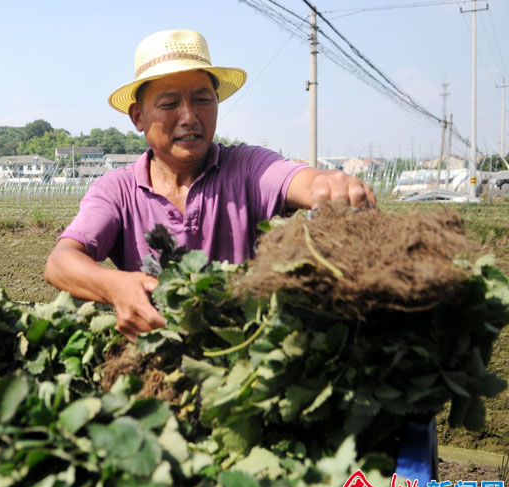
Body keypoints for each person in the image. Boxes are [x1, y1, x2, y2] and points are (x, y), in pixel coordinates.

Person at [45, 29, 375, 342]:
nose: (189, 116)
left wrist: (328, 184)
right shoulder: (117, 191)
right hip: (154, 351)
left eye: (202, 100)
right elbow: (60, 262)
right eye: (170, 104)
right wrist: (115, 286)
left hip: (241, 350)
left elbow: (296, 178)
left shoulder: (247, 168)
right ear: (138, 117)